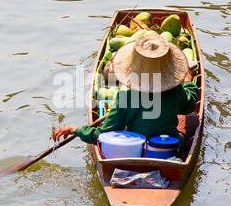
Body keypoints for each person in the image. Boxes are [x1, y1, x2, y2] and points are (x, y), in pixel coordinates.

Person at [53, 33, 198, 153]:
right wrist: (187, 81)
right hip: (167, 148)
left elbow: (104, 135)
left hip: (136, 149)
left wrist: (76, 130)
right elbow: (189, 106)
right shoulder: (175, 90)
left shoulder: (126, 97)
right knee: (192, 118)